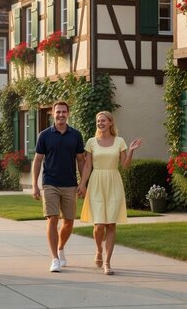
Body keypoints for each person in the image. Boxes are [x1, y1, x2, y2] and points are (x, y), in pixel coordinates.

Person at [77, 111, 142, 275]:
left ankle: (107, 262)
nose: (100, 123)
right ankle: (98, 249)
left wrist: (132, 150)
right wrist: (82, 184)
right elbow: (87, 166)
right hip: (97, 182)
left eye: (103, 120)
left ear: (111, 123)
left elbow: (125, 165)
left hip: (113, 182)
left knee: (111, 224)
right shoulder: (91, 142)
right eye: (98, 121)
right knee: (99, 225)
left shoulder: (120, 141)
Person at [31, 100, 85, 273]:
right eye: (58, 112)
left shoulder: (76, 135)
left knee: (68, 222)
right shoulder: (44, 135)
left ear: (68, 113)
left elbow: (81, 160)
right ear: (53, 114)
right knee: (52, 219)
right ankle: (54, 258)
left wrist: (83, 183)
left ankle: (60, 248)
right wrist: (35, 185)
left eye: (64, 112)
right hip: (50, 183)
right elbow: (38, 160)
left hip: (70, 183)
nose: (61, 115)